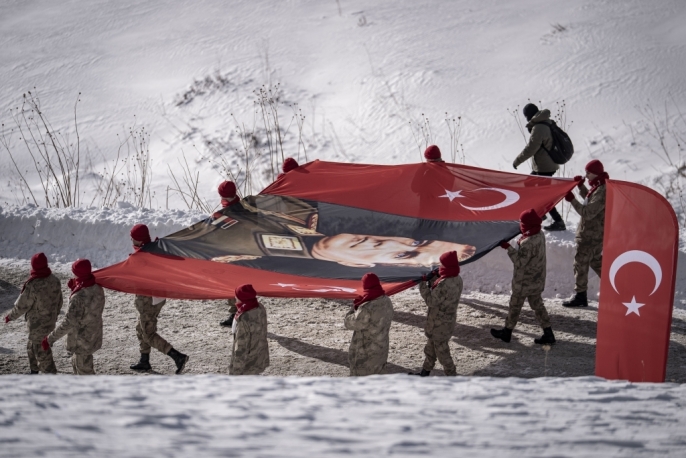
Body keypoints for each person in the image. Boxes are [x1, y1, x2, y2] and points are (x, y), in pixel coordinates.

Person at [129, 224, 189, 374]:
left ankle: (177, 356)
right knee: (141, 328)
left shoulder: (142, 256)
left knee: (148, 333)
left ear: (139, 239)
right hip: (158, 298)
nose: (131, 240)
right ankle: (144, 360)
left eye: (133, 237)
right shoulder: (155, 248)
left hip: (148, 300)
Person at [491, 209, 556, 345]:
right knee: (538, 306)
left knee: (514, 306)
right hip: (537, 279)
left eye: (522, 223)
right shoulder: (539, 234)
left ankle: (507, 332)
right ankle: (548, 333)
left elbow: (519, 262)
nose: (520, 225)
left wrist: (508, 248)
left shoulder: (528, 242)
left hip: (524, 282)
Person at [42, 259, 105, 375]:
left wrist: (50, 338)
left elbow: (69, 322)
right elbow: (88, 307)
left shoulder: (79, 297)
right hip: (93, 334)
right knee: (80, 366)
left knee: (84, 373)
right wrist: (76, 287)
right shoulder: (98, 288)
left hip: (81, 340)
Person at [4, 253, 62, 374]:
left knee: (42, 351)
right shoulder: (55, 280)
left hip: (37, 324)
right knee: (31, 346)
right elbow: (59, 301)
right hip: (50, 321)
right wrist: (54, 315)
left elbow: (22, 305)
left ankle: (52, 376)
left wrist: (10, 316)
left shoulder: (33, 284)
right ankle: (34, 371)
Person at [512, 103, 566, 232]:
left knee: (544, 195)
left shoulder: (539, 127)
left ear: (529, 115)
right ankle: (540, 213)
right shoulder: (545, 122)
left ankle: (558, 221)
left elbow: (531, 148)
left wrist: (517, 161)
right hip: (545, 165)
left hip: (544, 167)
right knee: (529, 184)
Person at [562, 159, 608, 307]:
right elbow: (590, 200)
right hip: (593, 235)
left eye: (588, 172)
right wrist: (581, 187)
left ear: (595, 173)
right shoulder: (598, 187)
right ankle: (618, 286)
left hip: (590, 236)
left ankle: (580, 296)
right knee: (596, 262)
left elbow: (587, 212)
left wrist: (572, 200)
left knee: (580, 264)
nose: (586, 175)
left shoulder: (601, 190)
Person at [411, 251, 463, 377]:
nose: (440, 266)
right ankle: (424, 373)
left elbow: (431, 301)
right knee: (430, 350)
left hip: (439, 324)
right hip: (446, 322)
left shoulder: (444, 283)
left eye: (442, 264)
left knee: (442, 353)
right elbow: (443, 294)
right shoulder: (457, 279)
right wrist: (435, 277)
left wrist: (422, 284)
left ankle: (452, 377)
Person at [344, 273, 394, 376]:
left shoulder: (367, 308)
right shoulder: (386, 301)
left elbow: (350, 323)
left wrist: (354, 309)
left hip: (365, 355)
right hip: (381, 351)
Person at [216, 180, 241, 327]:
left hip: (231, 255)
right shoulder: (245, 208)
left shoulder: (223, 215)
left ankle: (235, 314)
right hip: (246, 253)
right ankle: (243, 311)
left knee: (232, 287)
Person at [229, 284, 269, 375]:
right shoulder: (260, 307)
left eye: (237, 296)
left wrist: (235, 371)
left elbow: (241, 346)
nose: (235, 297)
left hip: (247, 363)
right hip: (260, 356)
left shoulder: (244, 317)